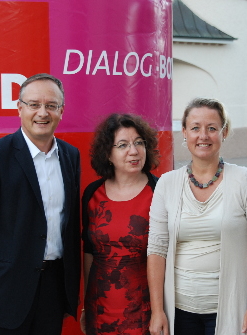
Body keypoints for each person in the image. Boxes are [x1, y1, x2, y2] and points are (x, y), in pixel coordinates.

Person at [0, 73, 81, 335]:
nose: (42, 113)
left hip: (53, 290)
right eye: (34, 104)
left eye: (51, 105)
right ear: (19, 108)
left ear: (61, 111)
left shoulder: (71, 156)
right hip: (5, 296)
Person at [147, 98, 247, 335]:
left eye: (212, 128)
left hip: (231, 309)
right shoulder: (167, 184)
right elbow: (156, 249)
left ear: (224, 132)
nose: (203, 135)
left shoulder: (244, 180)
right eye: (195, 128)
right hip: (179, 311)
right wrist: (157, 310)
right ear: (184, 132)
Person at [80, 113, 159, 335]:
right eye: (123, 145)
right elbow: (89, 253)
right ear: (108, 154)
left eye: (139, 143)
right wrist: (86, 305)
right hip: (100, 307)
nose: (133, 151)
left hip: (145, 310)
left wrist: (161, 311)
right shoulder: (92, 195)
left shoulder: (160, 192)